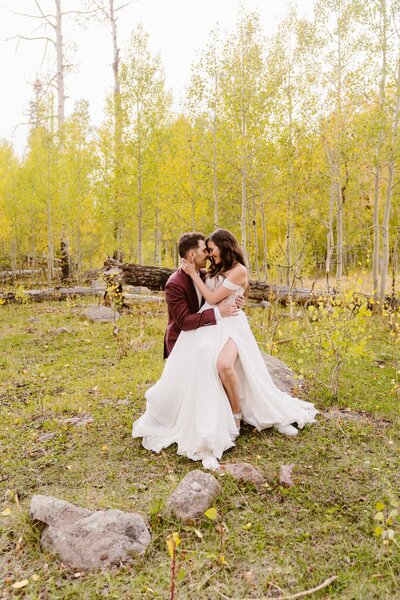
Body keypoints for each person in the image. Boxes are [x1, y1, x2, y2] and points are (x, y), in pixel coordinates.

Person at [132, 228, 318, 470]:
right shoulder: (182, 280)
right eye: (204, 250)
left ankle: (241, 414)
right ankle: (205, 419)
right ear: (191, 255)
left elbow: (217, 295)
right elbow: (194, 314)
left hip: (227, 323)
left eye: (211, 249)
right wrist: (225, 303)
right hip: (204, 324)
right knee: (205, 361)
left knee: (223, 364)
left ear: (223, 246)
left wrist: (236, 299)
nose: (208, 254)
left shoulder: (211, 270)